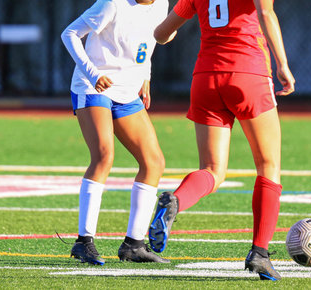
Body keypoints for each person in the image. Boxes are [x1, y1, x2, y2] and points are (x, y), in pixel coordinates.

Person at [148, 0, 295, 280]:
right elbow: (266, 12)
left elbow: (161, 34)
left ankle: (175, 200)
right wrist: (283, 65)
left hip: (206, 78)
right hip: (248, 73)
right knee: (268, 167)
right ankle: (260, 254)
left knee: (213, 171)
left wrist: (170, 34)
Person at [60, 0, 169, 265]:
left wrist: (146, 77)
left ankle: (134, 245)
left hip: (127, 90)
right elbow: (70, 33)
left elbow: (148, 41)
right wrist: (93, 72)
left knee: (153, 162)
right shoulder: (112, 4)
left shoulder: (161, 4)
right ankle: (83, 242)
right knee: (104, 155)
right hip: (92, 85)